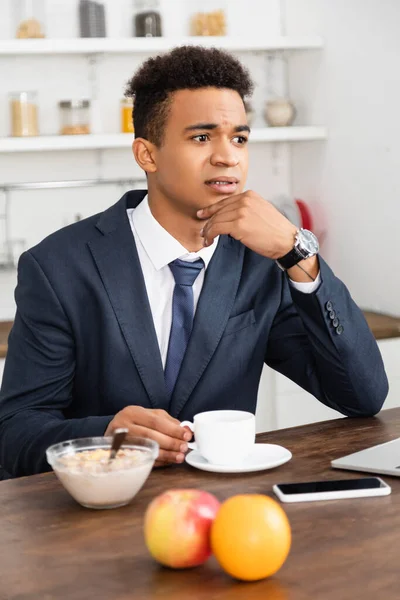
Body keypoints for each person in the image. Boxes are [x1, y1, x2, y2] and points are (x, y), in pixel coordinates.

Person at [0, 46, 388, 478]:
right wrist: (105, 434)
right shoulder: (58, 267)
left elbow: (362, 397)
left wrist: (296, 251)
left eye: (239, 138)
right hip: (97, 517)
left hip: (226, 515)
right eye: (202, 137)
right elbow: (15, 434)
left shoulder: (263, 262)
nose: (228, 157)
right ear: (147, 154)